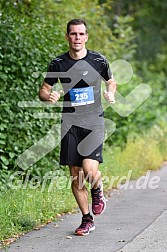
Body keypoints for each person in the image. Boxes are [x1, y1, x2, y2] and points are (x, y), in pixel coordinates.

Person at [39, 19, 116, 236]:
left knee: (89, 170)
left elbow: (111, 80)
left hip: (93, 122)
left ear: (87, 37)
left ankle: (97, 190)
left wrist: (110, 92)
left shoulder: (98, 60)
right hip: (70, 124)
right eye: (73, 34)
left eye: (81, 34)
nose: (77, 38)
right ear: (67, 37)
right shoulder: (58, 64)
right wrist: (48, 96)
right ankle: (86, 219)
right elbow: (44, 90)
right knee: (75, 173)